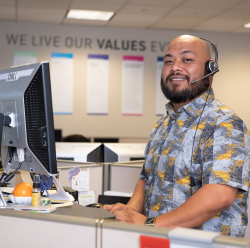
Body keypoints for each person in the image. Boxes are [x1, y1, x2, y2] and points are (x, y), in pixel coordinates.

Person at [102, 35, 250, 237]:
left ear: (210, 69)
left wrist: (150, 224)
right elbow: (146, 179)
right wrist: (129, 211)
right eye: (168, 61)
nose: (175, 67)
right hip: (159, 239)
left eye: (187, 60)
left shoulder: (224, 123)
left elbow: (219, 195)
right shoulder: (163, 124)